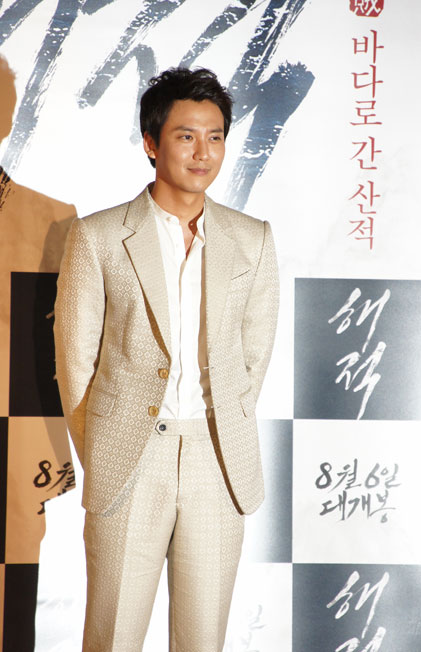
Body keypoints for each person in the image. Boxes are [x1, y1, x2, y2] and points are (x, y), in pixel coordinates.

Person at [54, 66, 279, 652]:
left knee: (203, 639)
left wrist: (218, 425)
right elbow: (75, 362)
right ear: (152, 143)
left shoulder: (252, 239)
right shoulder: (99, 236)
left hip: (218, 461)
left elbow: (252, 358)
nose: (203, 152)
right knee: (113, 636)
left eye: (216, 136)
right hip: (128, 457)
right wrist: (108, 445)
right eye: (186, 136)